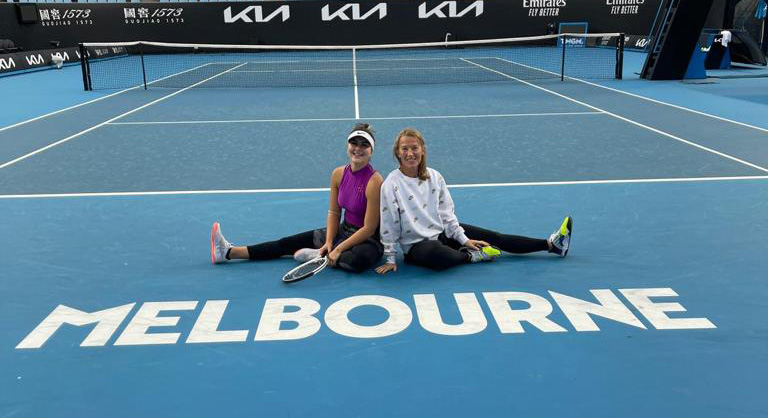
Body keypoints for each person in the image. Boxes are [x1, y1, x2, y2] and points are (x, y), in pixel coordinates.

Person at [375, 128, 572, 274]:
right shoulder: (391, 184)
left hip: (442, 233)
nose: (410, 153)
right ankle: (470, 256)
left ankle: (551, 245)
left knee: (495, 237)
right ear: (397, 153)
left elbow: (446, 215)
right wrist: (391, 257)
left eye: (414, 148)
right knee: (438, 255)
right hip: (417, 248)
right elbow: (389, 223)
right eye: (405, 149)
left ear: (423, 150)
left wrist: (464, 239)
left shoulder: (435, 177)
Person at [211, 123, 384, 273]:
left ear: (371, 151)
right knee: (286, 243)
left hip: (368, 239)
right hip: (343, 231)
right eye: (354, 143)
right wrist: (329, 242)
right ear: (348, 145)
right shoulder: (338, 174)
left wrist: (338, 248)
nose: (358, 148)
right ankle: (229, 252)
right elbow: (334, 212)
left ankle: (320, 256)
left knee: (358, 261)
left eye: (364, 145)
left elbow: (369, 228)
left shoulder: (374, 181)